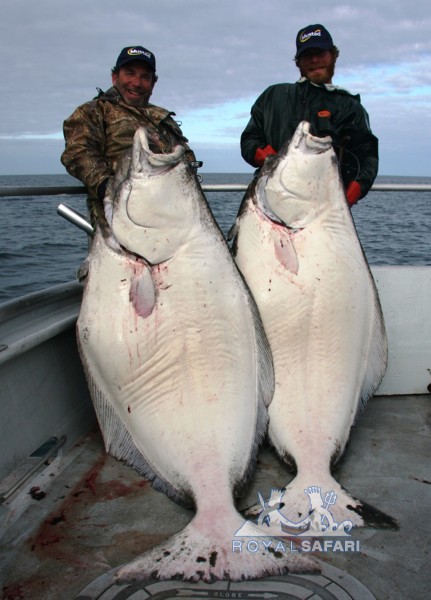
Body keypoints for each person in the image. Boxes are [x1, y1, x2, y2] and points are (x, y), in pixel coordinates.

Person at [240, 24, 378, 206]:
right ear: (298, 62)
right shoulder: (273, 97)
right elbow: (249, 139)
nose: (314, 60)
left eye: (320, 53)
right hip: (270, 199)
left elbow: (367, 156)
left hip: (325, 206)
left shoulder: (350, 107)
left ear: (333, 55)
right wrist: (267, 157)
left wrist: (354, 191)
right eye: (307, 55)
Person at [61, 46, 199, 226]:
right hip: (121, 221)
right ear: (115, 77)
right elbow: (78, 153)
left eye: (145, 77)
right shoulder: (94, 111)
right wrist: (109, 189)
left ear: (153, 84)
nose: (137, 83)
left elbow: (186, 157)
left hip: (171, 218)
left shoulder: (163, 118)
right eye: (130, 73)